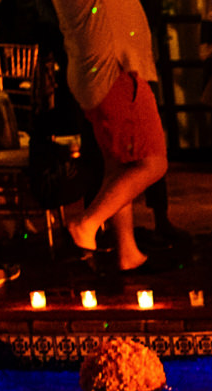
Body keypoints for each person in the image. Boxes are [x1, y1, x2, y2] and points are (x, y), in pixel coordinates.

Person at [52, 0, 170, 273]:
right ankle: (87, 225)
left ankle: (127, 251)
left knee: (119, 168)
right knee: (153, 163)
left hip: (93, 73)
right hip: (114, 72)